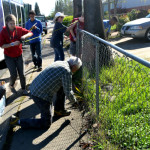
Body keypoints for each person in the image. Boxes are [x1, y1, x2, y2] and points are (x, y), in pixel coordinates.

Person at [10, 56, 82, 129]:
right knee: (46, 123)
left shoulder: (60, 63)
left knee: (63, 85)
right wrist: (75, 102)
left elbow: (66, 87)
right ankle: (18, 121)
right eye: (76, 69)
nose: (75, 71)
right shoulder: (66, 71)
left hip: (35, 88)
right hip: (40, 95)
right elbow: (68, 92)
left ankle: (59, 110)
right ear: (73, 66)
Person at [0, 14, 33, 95]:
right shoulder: (3, 32)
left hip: (19, 55)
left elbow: (30, 33)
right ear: (7, 23)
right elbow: (2, 45)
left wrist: (25, 36)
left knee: (22, 73)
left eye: (14, 23)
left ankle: (23, 88)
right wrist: (12, 44)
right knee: (13, 74)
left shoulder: (18, 29)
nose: (13, 25)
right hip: (9, 56)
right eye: (11, 23)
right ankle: (11, 85)